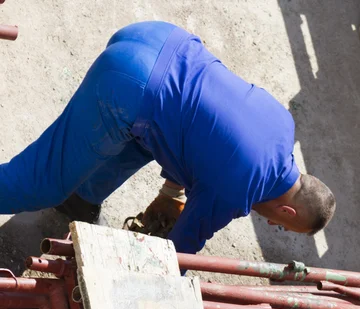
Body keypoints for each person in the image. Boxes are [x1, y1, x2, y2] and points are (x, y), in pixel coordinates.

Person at [0, 21, 336, 254]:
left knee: (151, 139)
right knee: (40, 185)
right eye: (282, 226)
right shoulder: (237, 193)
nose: (273, 225)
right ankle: (61, 191)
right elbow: (177, 253)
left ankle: (80, 199)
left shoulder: (282, 125)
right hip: (127, 87)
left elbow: (207, 128)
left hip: (158, 38)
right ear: (288, 213)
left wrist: (172, 192)